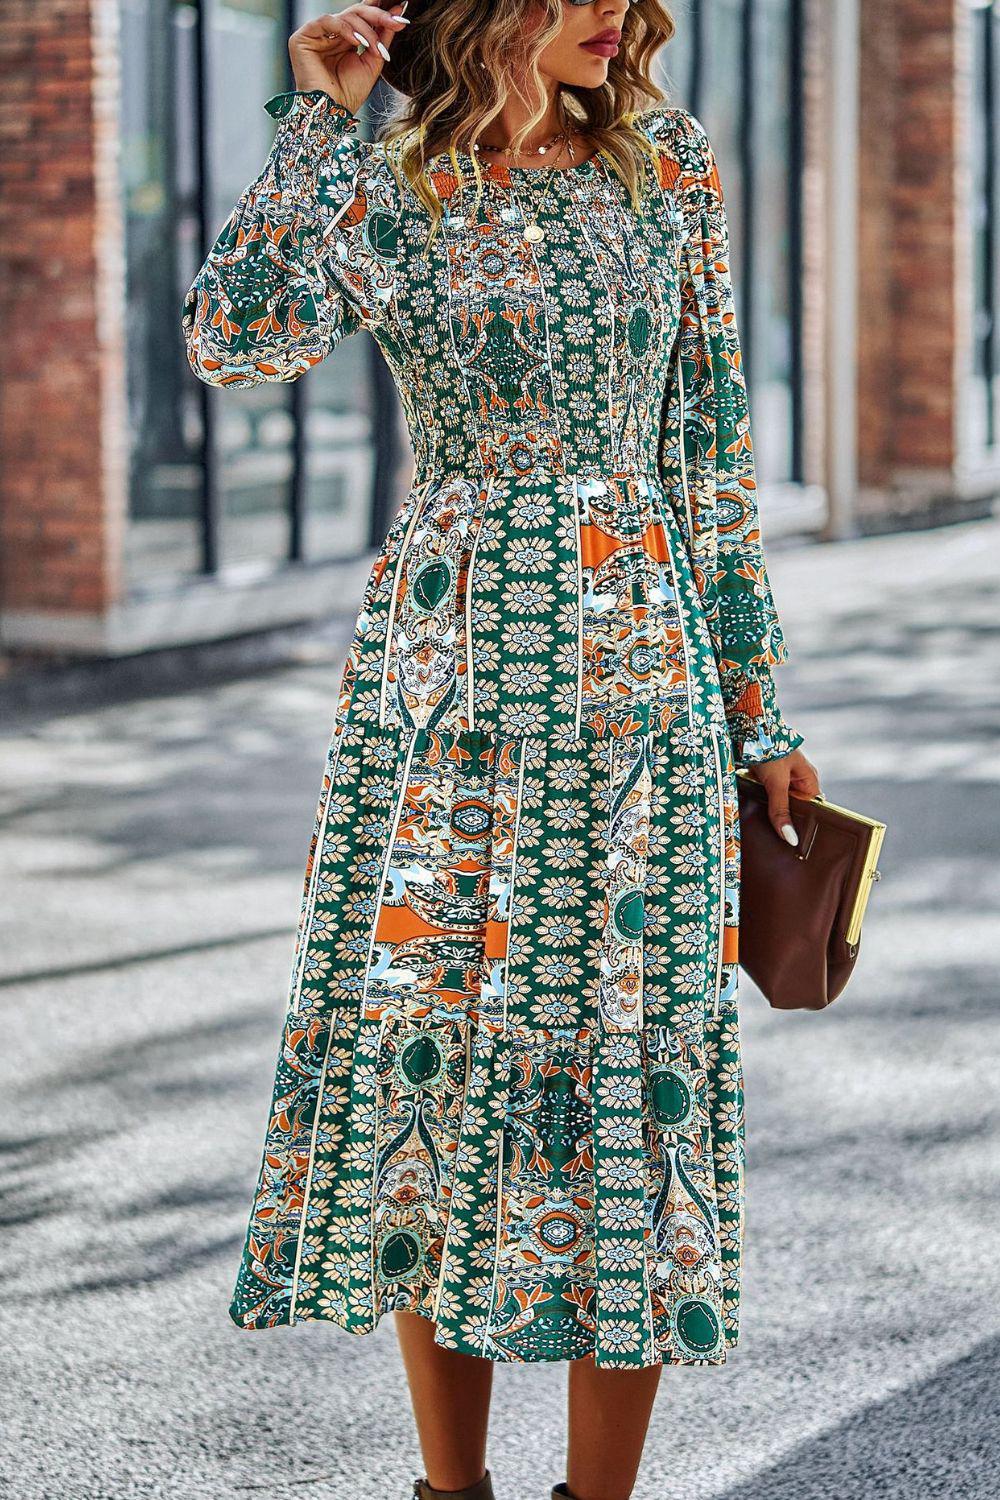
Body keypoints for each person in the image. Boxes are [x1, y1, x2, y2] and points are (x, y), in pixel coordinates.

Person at [182, 3, 822, 1497]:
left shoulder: (666, 163)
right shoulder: (389, 171)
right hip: (443, 676)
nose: (624, 15)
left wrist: (759, 710)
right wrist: (314, 124)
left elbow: (708, 454)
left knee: (631, 1062)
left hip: (636, 676)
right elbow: (231, 341)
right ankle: (449, 1490)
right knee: (429, 1063)